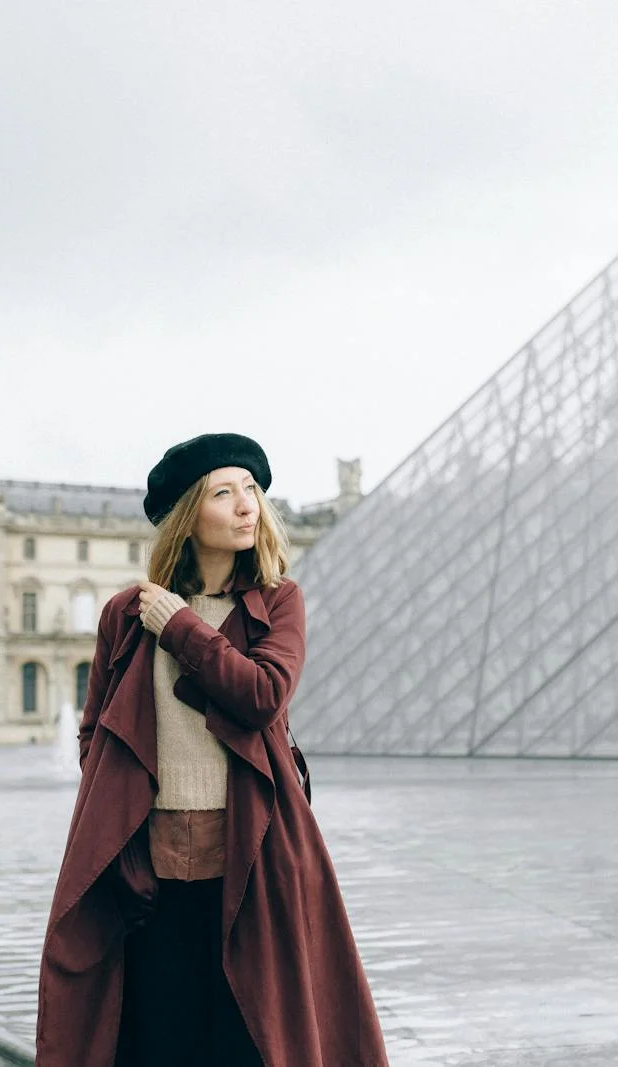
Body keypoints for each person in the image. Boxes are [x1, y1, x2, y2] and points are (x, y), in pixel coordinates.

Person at [37, 433, 388, 1066]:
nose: (247, 505)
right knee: (157, 1040)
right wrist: (120, 836)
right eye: (224, 492)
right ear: (187, 515)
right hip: (152, 869)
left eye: (252, 490)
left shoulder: (278, 602)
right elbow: (95, 733)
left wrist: (180, 626)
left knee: (251, 1037)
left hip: (253, 858)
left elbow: (262, 695)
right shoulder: (125, 613)